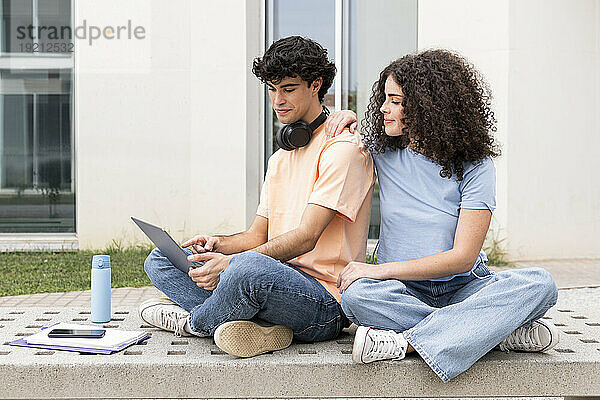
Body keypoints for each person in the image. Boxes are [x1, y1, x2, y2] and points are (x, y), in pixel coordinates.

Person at [324, 49, 559, 382]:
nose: (383, 108)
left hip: (464, 285)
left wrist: (378, 270)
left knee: (540, 284)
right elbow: (337, 139)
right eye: (385, 99)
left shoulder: (476, 167)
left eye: (395, 100)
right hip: (403, 290)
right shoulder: (382, 149)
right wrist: (343, 114)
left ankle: (407, 342)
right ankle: (487, 331)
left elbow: (463, 258)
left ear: (425, 108)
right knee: (357, 297)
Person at [139, 36, 375, 358]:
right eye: (271, 89)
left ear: (316, 85)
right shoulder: (280, 158)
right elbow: (256, 236)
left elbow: (306, 238)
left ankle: (194, 323)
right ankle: (254, 325)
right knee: (163, 258)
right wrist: (217, 245)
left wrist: (232, 264)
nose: (278, 100)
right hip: (270, 279)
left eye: (288, 89)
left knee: (247, 269)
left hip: (325, 301)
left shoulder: (343, 150)